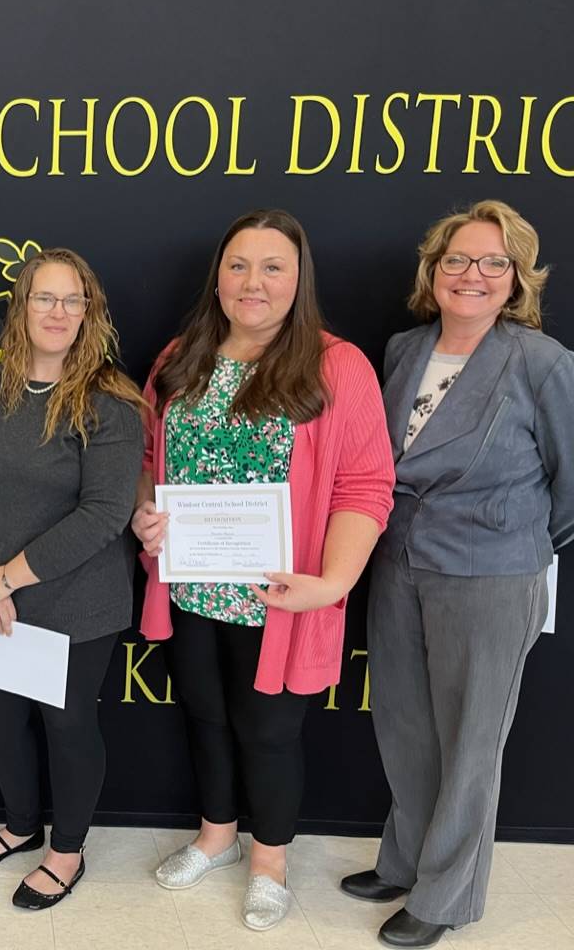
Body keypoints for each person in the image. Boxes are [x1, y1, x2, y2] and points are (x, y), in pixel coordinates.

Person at [132, 209, 394, 931]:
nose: (253, 282)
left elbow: (366, 484)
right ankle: (217, 837)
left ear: (298, 279)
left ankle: (270, 861)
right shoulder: (181, 356)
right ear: (218, 277)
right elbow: (149, 463)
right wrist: (143, 512)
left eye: (272, 266)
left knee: (270, 731)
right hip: (191, 586)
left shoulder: (336, 365)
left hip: (279, 597)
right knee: (207, 716)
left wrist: (333, 583)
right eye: (239, 265)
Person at [339, 201, 574, 949]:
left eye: (493, 263)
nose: (472, 275)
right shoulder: (404, 348)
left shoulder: (543, 362)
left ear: (517, 280)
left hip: (491, 573)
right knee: (405, 725)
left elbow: (570, 486)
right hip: (398, 561)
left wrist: (516, 541)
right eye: (457, 261)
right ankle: (406, 860)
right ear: (432, 272)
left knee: (472, 740)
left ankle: (446, 896)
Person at [0, 248, 144, 909]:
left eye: (71, 300)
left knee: (68, 727)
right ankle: (22, 825)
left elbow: (106, 514)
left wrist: (7, 580)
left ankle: (66, 850)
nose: (57, 312)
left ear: (89, 312)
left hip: (74, 601)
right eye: (43, 298)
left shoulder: (110, 402)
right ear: (20, 307)